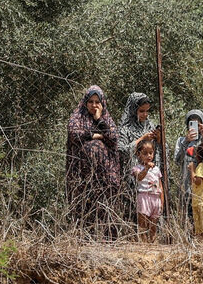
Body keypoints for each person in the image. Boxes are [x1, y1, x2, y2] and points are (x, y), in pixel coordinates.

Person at [65, 85, 122, 236]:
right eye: (91, 101)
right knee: (84, 204)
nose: (94, 105)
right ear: (85, 102)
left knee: (105, 204)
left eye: (98, 102)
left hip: (104, 175)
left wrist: (98, 119)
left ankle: (108, 237)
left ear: (102, 103)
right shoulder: (78, 117)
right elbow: (74, 134)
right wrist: (94, 135)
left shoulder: (106, 119)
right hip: (82, 174)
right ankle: (84, 236)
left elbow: (114, 138)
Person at [118, 93, 162, 221]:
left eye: (147, 111)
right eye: (141, 111)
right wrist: (141, 139)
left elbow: (160, 152)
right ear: (133, 110)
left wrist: (158, 140)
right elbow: (121, 150)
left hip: (151, 182)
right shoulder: (125, 129)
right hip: (132, 181)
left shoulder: (150, 126)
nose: (145, 115)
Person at [173, 110, 203, 221]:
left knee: (202, 220)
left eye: (198, 124)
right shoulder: (181, 140)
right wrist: (186, 142)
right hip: (185, 186)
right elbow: (177, 160)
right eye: (191, 123)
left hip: (201, 188)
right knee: (186, 219)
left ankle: (201, 238)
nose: (194, 127)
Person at [131, 139, 162, 243]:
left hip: (155, 197)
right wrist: (147, 168)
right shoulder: (137, 168)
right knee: (143, 222)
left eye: (151, 153)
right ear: (138, 154)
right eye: (145, 153)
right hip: (144, 196)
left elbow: (160, 185)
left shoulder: (157, 169)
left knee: (153, 223)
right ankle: (143, 243)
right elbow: (139, 178)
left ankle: (153, 242)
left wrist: (161, 201)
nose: (149, 156)